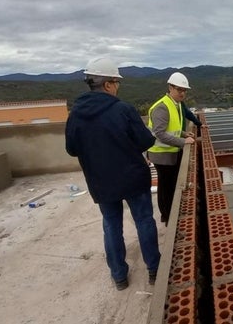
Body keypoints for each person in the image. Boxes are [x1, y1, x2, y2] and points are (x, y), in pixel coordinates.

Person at [65, 57, 161, 291]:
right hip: (133, 179)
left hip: (101, 182)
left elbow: (71, 149)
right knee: (144, 221)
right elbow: (146, 140)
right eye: (116, 82)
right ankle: (154, 270)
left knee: (111, 225)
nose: (118, 86)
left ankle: (119, 276)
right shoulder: (123, 110)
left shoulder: (75, 114)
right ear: (107, 84)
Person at [147, 72, 195, 226]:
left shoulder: (175, 104)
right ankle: (168, 217)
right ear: (170, 88)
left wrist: (182, 133)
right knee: (166, 188)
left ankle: (169, 215)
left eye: (184, 90)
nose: (182, 93)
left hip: (170, 153)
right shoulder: (162, 107)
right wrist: (183, 141)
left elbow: (170, 128)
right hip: (162, 155)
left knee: (170, 185)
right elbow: (160, 134)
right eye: (179, 89)